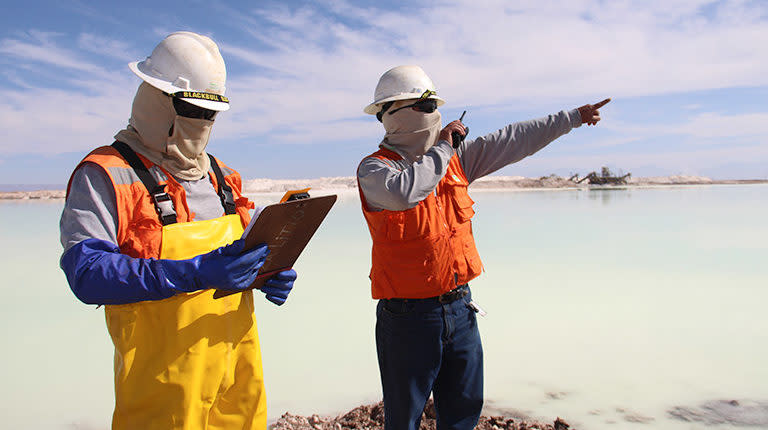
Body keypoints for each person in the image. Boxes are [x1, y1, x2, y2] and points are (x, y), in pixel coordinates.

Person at [59, 31, 296, 430]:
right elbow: (87, 275)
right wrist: (194, 273)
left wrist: (264, 272)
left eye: (211, 113)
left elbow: (233, 257)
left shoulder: (223, 176)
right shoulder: (106, 174)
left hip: (236, 379)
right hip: (161, 394)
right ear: (158, 100)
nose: (204, 123)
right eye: (195, 110)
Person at [357, 65, 610, 430]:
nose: (433, 115)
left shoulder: (456, 161)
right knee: (404, 421)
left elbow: (513, 139)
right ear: (394, 113)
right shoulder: (375, 170)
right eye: (426, 105)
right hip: (408, 319)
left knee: (462, 415)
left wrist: (571, 118)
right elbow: (406, 191)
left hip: (460, 309)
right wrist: (444, 146)